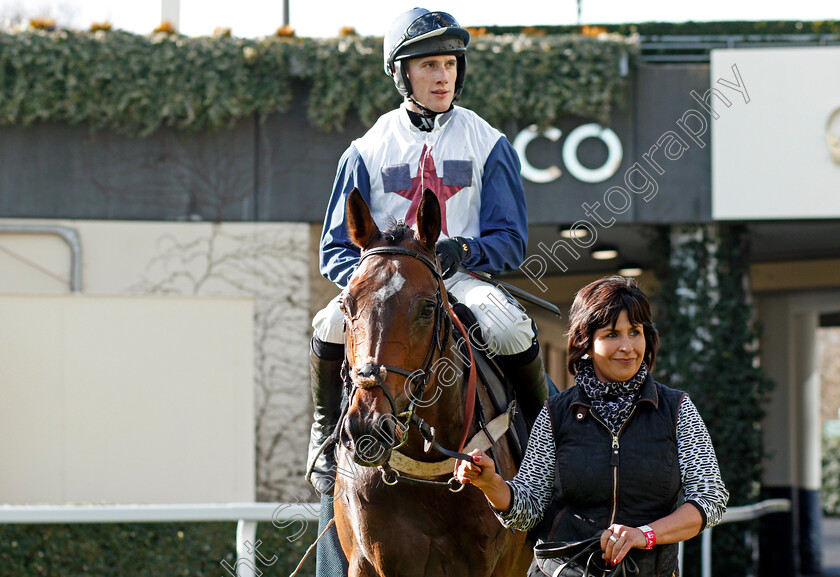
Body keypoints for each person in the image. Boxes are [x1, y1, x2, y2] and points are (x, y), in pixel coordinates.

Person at [306, 7, 551, 576]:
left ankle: (545, 447)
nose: (443, 76)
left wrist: (461, 253)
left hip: (460, 279)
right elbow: (333, 251)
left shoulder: (489, 143)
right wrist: (375, 288)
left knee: (510, 326)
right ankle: (325, 434)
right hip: (385, 288)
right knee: (325, 325)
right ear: (402, 74)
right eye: (428, 66)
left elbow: (510, 239)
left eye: (449, 64)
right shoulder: (364, 149)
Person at [455, 276, 729, 576]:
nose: (627, 346)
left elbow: (709, 499)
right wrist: (491, 484)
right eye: (612, 334)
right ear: (586, 343)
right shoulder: (555, 412)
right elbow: (528, 509)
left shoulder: (677, 409)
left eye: (635, 332)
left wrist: (644, 534)